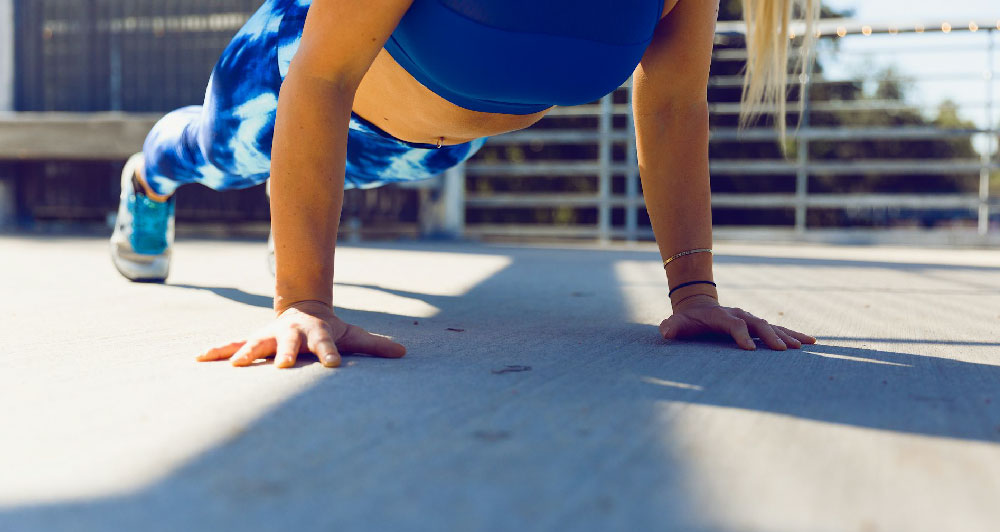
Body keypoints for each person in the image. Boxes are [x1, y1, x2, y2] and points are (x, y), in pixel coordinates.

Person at [109, 0, 818, 368]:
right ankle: (146, 182)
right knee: (207, 150)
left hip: (429, 152)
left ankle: (290, 221)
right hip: (291, 81)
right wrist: (303, 301)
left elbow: (671, 106)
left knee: (315, 185)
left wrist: (694, 293)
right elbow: (321, 76)